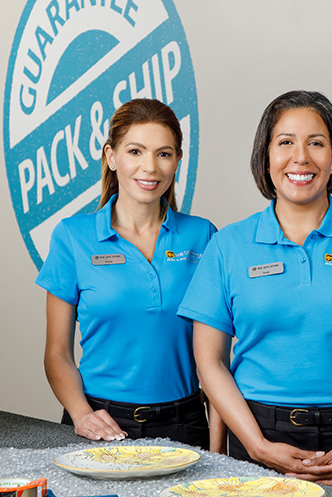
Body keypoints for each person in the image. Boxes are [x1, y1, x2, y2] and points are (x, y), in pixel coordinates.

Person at [178, 90, 332, 497]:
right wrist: (258, 447)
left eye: (316, 143)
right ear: (266, 157)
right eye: (285, 143)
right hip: (258, 432)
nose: (301, 157)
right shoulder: (228, 247)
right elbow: (209, 363)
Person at [36, 98, 216, 449]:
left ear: (177, 161)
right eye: (135, 151)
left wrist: (220, 444)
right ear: (111, 156)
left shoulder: (204, 236)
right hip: (99, 422)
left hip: (187, 424)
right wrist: (81, 414)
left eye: (163, 154)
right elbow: (57, 352)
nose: (149, 167)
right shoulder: (73, 236)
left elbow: (217, 358)